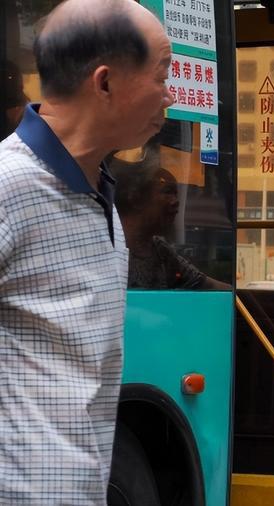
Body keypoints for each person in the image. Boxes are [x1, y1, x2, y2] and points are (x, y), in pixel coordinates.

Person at [0, 0, 173, 503]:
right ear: (104, 83)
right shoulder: (9, 188)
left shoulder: (100, 199)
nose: (170, 95)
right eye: (162, 74)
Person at [109, 145, 229, 290]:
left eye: (176, 194)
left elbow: (204, 284)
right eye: (167, 192)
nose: (175, 202)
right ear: (135, 197)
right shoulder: (108, 244)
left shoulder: (160, 250)